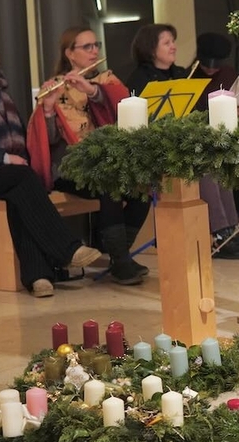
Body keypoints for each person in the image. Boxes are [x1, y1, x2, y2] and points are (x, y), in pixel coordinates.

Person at [0, 38, 102, 298]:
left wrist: (46, 111)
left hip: (11, 174)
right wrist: (4, 158)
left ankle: (38, 277)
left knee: (19, 194)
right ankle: (67, 249)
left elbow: (24, 137)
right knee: (22, 179)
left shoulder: (0, 93)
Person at [27, 26, 150, 285]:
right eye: (87, 47)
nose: (94, 51)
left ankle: (119, 257)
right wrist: (48, 109)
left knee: (142, 187)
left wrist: (93, 91)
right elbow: (47, 140)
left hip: (109, 161)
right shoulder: (56, 87)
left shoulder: (106, 81)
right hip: (71, 168)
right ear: (70, 53)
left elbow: (125, 108)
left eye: (96, 45)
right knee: (108, 184)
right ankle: (121, 261)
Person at [190, 32, 239, 260]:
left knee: (223, 168)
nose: (210, 69)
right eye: (206, 64)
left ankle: (231, 228)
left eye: (214, 65)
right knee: (212, 167)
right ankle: (221, 231)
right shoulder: (190, 76)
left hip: (219, 140)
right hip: (197, 142)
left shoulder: (228, 75)